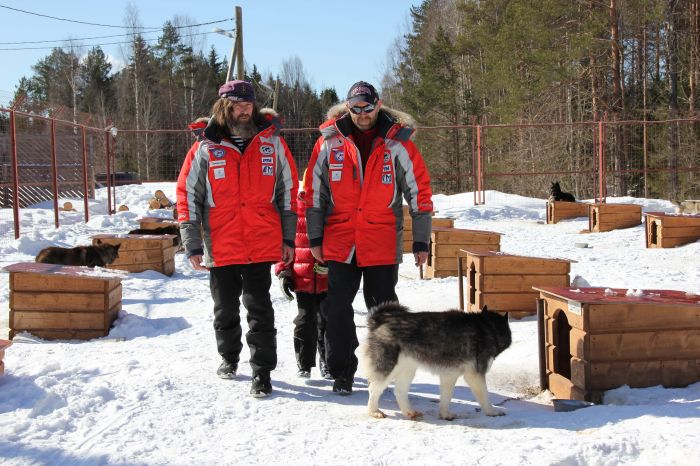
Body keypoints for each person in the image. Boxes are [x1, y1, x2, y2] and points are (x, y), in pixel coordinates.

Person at [304, 81, 433, 395]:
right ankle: (342, 373)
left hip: (381, 241)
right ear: (348, 107)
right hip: (340, 241)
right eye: (356, 108)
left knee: (384, 313)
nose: (362, 115)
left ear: (379, 104)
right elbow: (314, 194)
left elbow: (419, 192)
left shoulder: (398, 144)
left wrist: (421, 240)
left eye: (368, 107)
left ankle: (384, 371)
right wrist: (315, 237)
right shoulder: (329, 143)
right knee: (336, 308)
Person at [176, 79, 298, 398]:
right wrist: (192, 243)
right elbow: (188, 196)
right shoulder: (205, 145)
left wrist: (288, 237)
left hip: (260, 241)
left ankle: (262, 372)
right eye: (237, 105)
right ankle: (229, 358)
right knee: (225, 309)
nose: (243, 111)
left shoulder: (272, 143)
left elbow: (287, 193)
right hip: (222, 243)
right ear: (224, 107)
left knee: (260, 310)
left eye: (248, 105)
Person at [274, 174, 331, 381]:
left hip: (326, 279)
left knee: (326, 321)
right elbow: (285, 243)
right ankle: (304, 363)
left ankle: (327, 361)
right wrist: (284, 271)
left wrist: (333, 268)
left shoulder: (329, 207)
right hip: (302, 277)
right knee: (305, 321)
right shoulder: (293, 210)